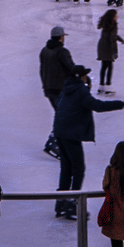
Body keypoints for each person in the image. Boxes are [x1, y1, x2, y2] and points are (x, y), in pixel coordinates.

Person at [53, 65, 124, 220]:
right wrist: (120, 104)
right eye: (85, 75)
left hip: (60, 131)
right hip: (70, 133)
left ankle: (61, 201)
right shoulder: (80, 90)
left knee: (67, 167)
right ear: (81, 77)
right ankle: (73, 202)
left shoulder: (67, 88)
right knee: (78, 168)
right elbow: (98, 106)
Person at [40, 26, 75, 159]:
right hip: (60, 89)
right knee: (64, 117)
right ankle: (53, 143)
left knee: (61, 115)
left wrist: (45, 86)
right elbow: (71, 68)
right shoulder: (62, 51)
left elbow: (41, 70)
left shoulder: (44, 51)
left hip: (49, 89)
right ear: (61, 38)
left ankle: (56, 142)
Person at [96, 10, 124, 96]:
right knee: (109, 66)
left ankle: (101, 86)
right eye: (116, 15)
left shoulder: (106, 23)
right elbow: (112, 39)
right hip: (108, 46)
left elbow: (112, 35)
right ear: (113, 17)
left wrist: (120, 39)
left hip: (101, 45)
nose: (117, 17)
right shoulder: (113, 24)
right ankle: (108, 86)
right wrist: (115, 52)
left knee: (104, 66)